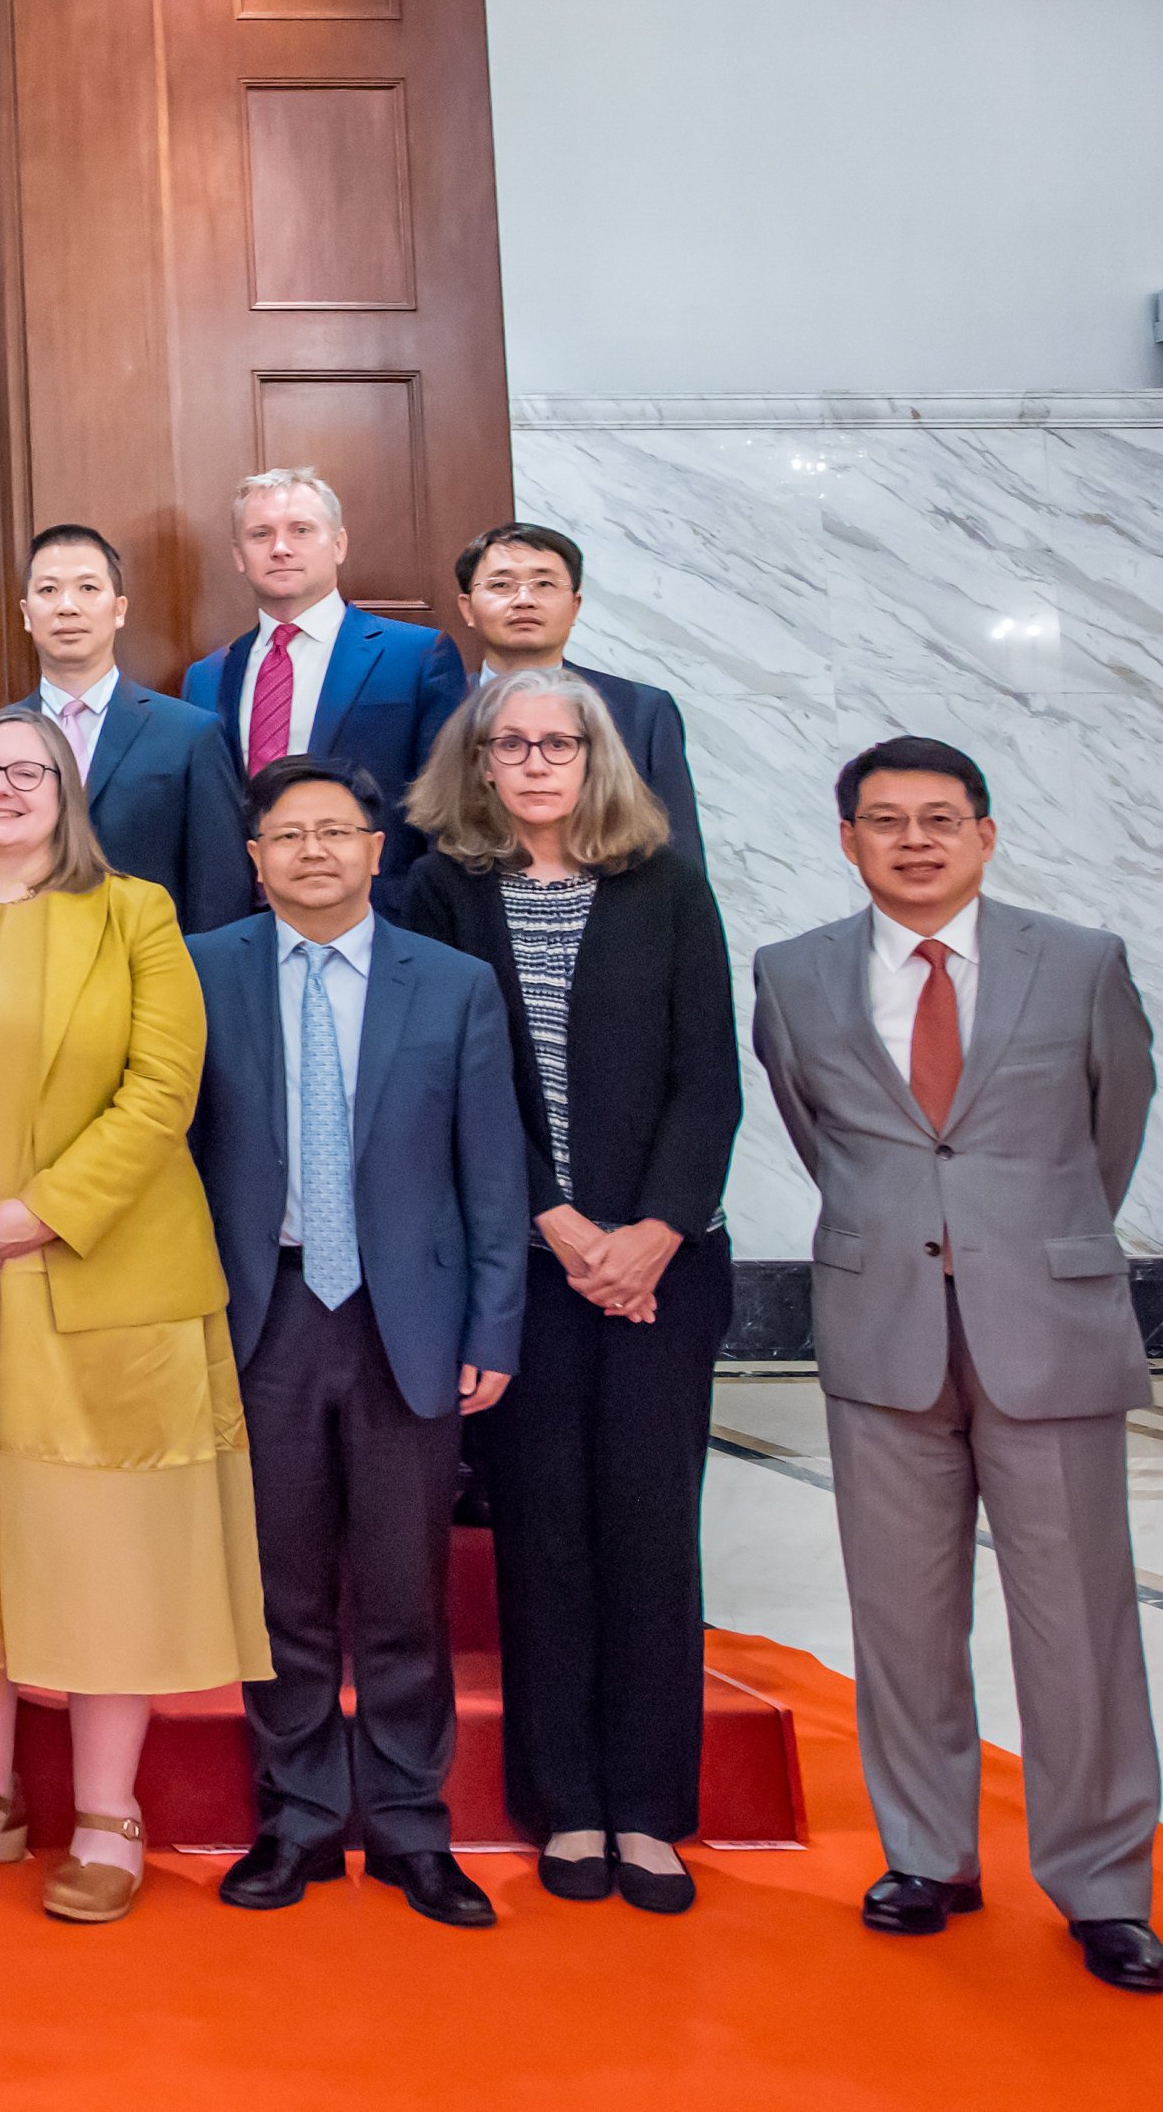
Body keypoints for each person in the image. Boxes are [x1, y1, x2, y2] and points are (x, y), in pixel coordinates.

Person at [751, 738, 1163, 1994]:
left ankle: (1101, 1883)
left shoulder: (1079, 963)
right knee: (901, 1615)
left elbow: (1113, 1128)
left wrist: (1019, 1250)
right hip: (882, 1327)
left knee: (1077, 1623)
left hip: (1046, 1326)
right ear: (848, 841)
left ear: (986, 834)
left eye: (941, 819)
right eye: (885, 821)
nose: (915, 840)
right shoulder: (794, 975)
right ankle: (926, 1854)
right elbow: (819, 1133)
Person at [0, 706, 268, 1927]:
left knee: (99, 1548)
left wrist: (40, 1212)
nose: (2, 786)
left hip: (93, 1278)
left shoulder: (133, 914)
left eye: (28, 770)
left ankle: (107, 1813)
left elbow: (163, 1089)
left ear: (67, 792)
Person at [396, 668, 739, 1914]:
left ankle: (648, 1810)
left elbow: (710, 1076)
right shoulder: (439, 892)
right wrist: (559, 1228)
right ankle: (568, 1806)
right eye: (510, 743)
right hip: (522, 1270)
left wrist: (647, 1234)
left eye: (559, 742)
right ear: (476, 762)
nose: (535, 761)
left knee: (652, 1535)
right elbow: (450, 1079)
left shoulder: (668, 886)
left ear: (598, 758)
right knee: (542, 1536)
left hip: (663, 1269)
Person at [189, 757, 527, 1928]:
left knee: (402, 1589)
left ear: (379, 850)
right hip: (264, 1312)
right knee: (276, 1589)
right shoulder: (198, 972)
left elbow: (491, 1173)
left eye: (338, 831)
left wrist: (493, 1322)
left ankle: (409, 1827)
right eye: (290, 834)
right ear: (256, 857)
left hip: (408, 1320)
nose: (315, 851)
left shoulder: (454, 984)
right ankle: (295, 1819)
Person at [180, 471, 468, 881]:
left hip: (380, 914)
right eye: (260, 535)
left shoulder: (417, 656)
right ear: (239, 556)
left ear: (338, 544)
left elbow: (446, 808)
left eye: (301, 530)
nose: (280, 549)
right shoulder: (206, 677)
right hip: (246, 925)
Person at [17, 522, 255, 933]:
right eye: (48, 590)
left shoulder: (190, 735)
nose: (67, 606)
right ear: (26, 614)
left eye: (88, 589)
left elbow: (219, 891)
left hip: (147, 975)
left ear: (120, 609)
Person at [456, 522, 702, 859]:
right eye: (502, 584)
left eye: (544, 584)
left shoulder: (642, 710)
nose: (524, 600)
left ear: (575, 606)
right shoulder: (443, 706)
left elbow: (678, 851)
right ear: (467, 608)